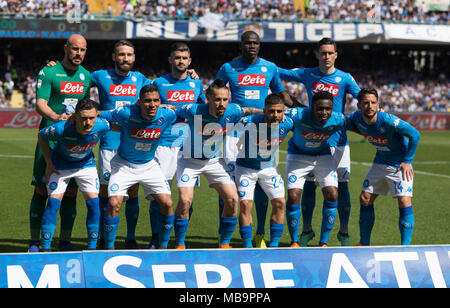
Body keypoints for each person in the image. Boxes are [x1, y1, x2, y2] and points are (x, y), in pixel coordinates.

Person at [216, 30, 301, 248]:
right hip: (236, 134)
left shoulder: (270, 67)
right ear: (241, 44)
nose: (251, 46)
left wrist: (303, 109)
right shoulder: (228, 68)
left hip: (267, 129)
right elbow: (213, 92)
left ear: (259, 45)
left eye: (255, 43)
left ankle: (260, 233)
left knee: (264, 184)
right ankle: (223, 232)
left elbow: (281, 95)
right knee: (229, 187)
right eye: (248, 43)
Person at [278, 37, 360, 246]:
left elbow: (363, 96)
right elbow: (278, 71)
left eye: (330, 53)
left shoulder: (345, 78)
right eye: (322, 53)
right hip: (311, 138)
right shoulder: (307, 73)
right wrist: (256, 64)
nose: (326, 57)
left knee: (341, 188)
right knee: (308, 186)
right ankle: (306, 230)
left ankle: (343, 231)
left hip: (338, 141)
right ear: (317, 55)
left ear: (335, 55)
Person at [174, 78, 263, 249]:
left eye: (224, 99)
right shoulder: (193, 110)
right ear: (208, 98)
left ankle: (224, 243)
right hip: (189, 161)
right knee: (185, 200)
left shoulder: (233, 110)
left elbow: (247, 110)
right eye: (217, 99)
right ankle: (179, 244)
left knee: (232, 199)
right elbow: (174, 110)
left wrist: (266, 112)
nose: (221, 104)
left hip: (214, 161)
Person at [29, 34, 92, 252]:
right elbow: (40, 104)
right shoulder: (48, 72)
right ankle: (35, 243)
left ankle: (65, 241)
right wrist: (57, 118)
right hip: (49, 139)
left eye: (82, 50)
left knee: (71, 193)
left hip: (72, 142)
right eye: (75, 49)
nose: (78, 54)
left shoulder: (86, 76)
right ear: (66, 48)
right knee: (41, 191)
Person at [91, 40, 153, 249]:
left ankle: (131, 237)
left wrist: (190, 75)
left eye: (129, 55)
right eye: (121, 54)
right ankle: (102, 236)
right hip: (109, 144)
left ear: (134, 57)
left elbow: (161, 88)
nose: (125, 58)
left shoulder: (141, 79)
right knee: (106, 193)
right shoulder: (100, 76)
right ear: (114, 56)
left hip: (133, 144)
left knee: (133, 192)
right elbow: (77, 79)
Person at [100, 85, 176, 250]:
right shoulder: (125, 113)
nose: (152, 105)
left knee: (168, 204)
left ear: (160, 102)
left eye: (156, 100)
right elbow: (100, 114)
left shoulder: (168, 115)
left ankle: (163, 248)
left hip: (149, 165)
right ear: (139, 102)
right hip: (124, 164)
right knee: (113, 203)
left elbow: (183, 112)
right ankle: (109, 248)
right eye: (147, 101)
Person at [148, 42, 206, 249]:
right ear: (170, 59)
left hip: (189, 145)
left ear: (189, 61)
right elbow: (148, 106)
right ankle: (156, 237)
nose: (180, 61)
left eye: (184, 58)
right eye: (177, 57)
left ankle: (180, 240)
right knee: (159, 196)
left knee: (186, 197)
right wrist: (161, 106)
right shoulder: (159, 83)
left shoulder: (196, 84)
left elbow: (204, 107)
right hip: (163, 145)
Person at [348, 88, 420, 246]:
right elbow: (343, 124)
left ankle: (405, 247)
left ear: (378, 104)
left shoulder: (388, 120)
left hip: (399, 164)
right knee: (365, 198)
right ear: (359, 105)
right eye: (366, 103)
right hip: (380, 162)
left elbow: (415, 134)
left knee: (404, 201)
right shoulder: (355, 118)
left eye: (373, 102)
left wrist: (407, 161)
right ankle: (364, 244)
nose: (370, 106)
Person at [38, 99, 109, 251]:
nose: (88, 122)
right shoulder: (61, 129)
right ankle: (45, 248)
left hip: (85, 165)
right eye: (83, 118)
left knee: (94, 204)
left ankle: (91, 248)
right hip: (60, 166)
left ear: (96, 116)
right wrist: (49, 163)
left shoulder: (103, 125)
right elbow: (42, 136)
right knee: (52, 204)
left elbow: (117, 125)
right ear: (75, 116)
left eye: (91, 118)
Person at [285, 91, 352, 247]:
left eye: (328, 109)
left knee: (333, 194)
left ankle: (323, 243)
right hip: (298, 155)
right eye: (320, 109)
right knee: (294, 196)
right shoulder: (298, 114)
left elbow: (359, 124)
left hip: (323, 155)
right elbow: (276, 116)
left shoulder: (337, 118)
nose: (324, 113)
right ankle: (294, 242)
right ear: (312, 107)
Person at [236, 93, 293, 248]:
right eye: (271, 111)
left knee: (280, 202)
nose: (275, 115)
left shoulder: (287, 123)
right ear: (264, 111)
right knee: (245, 204)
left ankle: (274, 246)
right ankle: (247, 246)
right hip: (245, 168)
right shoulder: (249, 122)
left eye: (279, 112)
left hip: (269, 169)